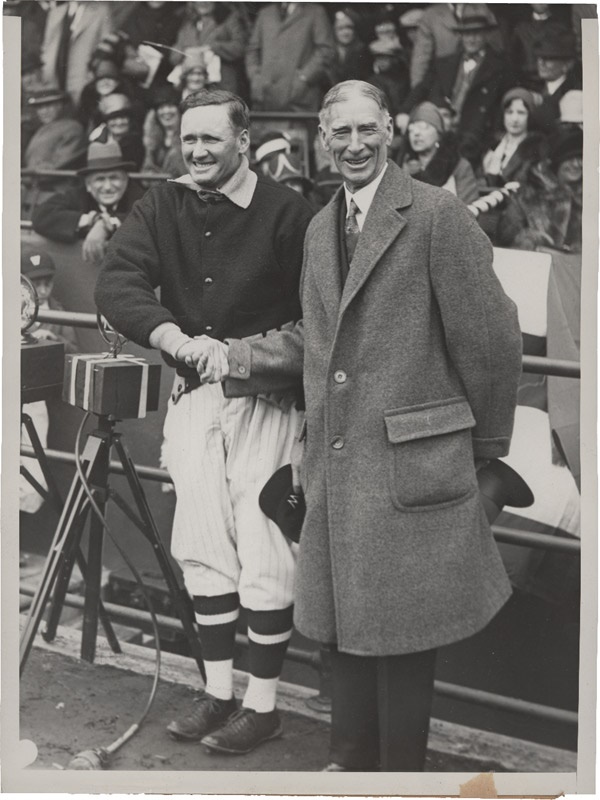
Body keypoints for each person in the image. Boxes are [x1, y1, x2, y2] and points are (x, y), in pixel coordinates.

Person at [213, 79, 522, 771]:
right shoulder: (324, 226)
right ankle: (350, 768)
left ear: (390, 129)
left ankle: (398, 777)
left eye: (366, 130)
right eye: (339, 133)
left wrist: (481, 452)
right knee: (342, 630)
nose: (354, 145)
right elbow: (318, 343)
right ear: (322, 140)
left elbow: (494, 342)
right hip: (338, 461)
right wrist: (228, 358)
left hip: (414, 467)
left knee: (405, 640)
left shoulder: (438, 215)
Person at [94, 89, 314, 755]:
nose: (196, 152)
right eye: (189, 140)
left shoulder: (289, 213)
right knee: (200, 547)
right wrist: (174, 337)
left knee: (265, 553)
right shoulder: (163, 202)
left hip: (268, 403)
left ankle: (263, 704)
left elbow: (321, 322)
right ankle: (218, 691)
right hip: (196, 398)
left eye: (211, 140)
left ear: (243, 141)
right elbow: (117, 281)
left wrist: (241, 357)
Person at [399, 12, 514, 168]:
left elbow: (507, 101)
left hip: (474, 132)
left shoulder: (499, 67)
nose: (471, 39)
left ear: (486, 35)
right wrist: (405, 111)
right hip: (441, 126)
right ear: (461, 36)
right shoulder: (445, 62)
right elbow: (422, 87)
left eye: (477, 34)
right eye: (467, 34)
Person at [20, 245, 78, 514]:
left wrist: (55, 341)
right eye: (35, 283)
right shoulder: (9, 307)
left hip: (35, 398)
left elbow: (76, 351)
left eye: (47, 282)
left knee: (32, 463)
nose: (42, 290)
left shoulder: (58, 310)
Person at [31, 139, 145, 265]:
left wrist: (105, 226)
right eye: (100, 179)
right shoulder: (78, 194)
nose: (107, 187)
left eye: (114, 178)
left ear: (125, 181)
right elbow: (41, 214)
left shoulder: (138, 195)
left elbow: (148, 218)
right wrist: (92, 220)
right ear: (88, 184)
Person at [497, 128, 583, 253]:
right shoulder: (527, 195)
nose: (576, 164)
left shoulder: (590, 196)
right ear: (555, 161)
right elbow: (507, 239)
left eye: (580, 158)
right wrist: (532, 241)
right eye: (569, 158)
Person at [246, 2, 335, 112]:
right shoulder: (265, 13)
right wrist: (255, 77)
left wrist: (304, 78)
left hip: (298, 98)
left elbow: (325, 50)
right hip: (264, 97)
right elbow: (252, 50)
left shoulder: (315, 12)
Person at [397, 101, 478, 204]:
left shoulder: (459, 166)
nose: (416, 133)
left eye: (423, 127)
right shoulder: (403, 166)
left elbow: (469, 210)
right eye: (412, 128)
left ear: (438, 134)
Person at [41, 1, 113, 105]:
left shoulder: (101, 11)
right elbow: (47, 49)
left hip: (84, 84)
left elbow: (107, 51)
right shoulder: (55, 13)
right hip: (55, 82)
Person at [171, 2, 248, 97]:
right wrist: (185, 51)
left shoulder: (229, 19)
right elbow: (174, 55)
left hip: (222, 86)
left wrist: (212, 47)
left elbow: (240, 47)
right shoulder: (188, 23)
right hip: (193, 87)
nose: (203, 2)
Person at [481, 87, 546, 187]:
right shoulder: (493, 144)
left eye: (521, 113)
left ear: (530, 116)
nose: (514, 119)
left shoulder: (535, 148)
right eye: (509, 112)